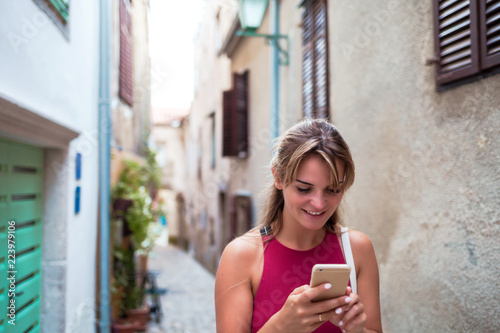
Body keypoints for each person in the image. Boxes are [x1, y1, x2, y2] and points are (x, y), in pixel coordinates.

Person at [215, 118, 382, 333]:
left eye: (332, 190)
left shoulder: (358, 249)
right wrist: (282, 326)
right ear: (278, 177)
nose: (319, 203)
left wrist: (357, 330)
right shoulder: (241, 256)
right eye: (304, 189)